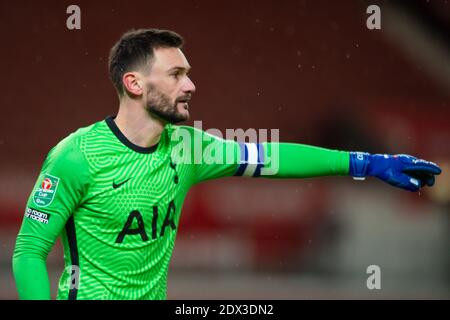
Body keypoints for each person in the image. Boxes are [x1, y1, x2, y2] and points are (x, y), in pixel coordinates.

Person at [12, 28, 442, 300]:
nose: (191, 85)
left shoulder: (188, 147)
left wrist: (367, 163)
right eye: (177, 74)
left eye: (189, 73)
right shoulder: (76, 156)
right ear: (134, 83)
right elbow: (28, 253)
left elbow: (271, 157)